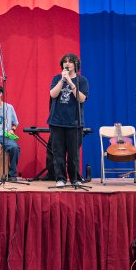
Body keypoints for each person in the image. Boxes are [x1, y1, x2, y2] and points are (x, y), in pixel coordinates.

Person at [48, 53, 89, 188]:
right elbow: (53, 94)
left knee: (73, 154)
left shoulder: (82, 80)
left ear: (76, 64)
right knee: (58, 152)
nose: (67, 63)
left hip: (74, 122)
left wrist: (71, 82)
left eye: (70, 61)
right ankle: (60, 178)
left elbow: (81, 99)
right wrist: (62, 80)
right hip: (57, 121)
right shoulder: (57, 78)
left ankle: (75, 178)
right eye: (65, 61)